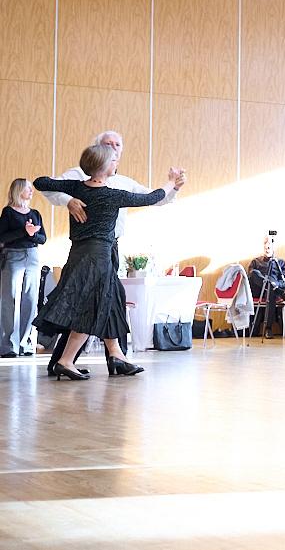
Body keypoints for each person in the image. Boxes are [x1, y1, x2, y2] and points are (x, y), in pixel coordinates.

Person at [32, 145, 184, 380]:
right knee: (90, 309)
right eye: (114, 160)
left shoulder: (76, 187)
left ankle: (116, 355)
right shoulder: (112, 195)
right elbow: (153, 197)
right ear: (104, 166)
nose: (116, 162)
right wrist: (172, 182)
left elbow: (40, 181)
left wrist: (70, 198)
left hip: (80, 255)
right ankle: (65, 360)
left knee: (113, 302)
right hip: (98, 259)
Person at [1, 179, 47, 358]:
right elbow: (2, 236)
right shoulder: (8, 212)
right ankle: (7, 346)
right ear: (19, 190)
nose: (31, 191)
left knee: (30, 299)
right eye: (28, 188)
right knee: (9, 300)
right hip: (13, 256)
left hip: (33, 257)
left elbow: (43, 238)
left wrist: (32, 234)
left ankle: (25, 343)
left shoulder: (35, 213)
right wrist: (24, 232)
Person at [248, 235, 285, 338]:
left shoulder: (280, 262)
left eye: (269, 245)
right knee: (254, 272)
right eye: (265, 244)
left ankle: (268, 328)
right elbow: (250, 277)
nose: (267, 247)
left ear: (274, 247)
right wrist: (274, 286)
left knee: (270, 290)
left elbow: (284, 280)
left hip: (271, 292)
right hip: (258, 289)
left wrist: (276, 284)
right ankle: (278, 291)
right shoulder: (255, 261)